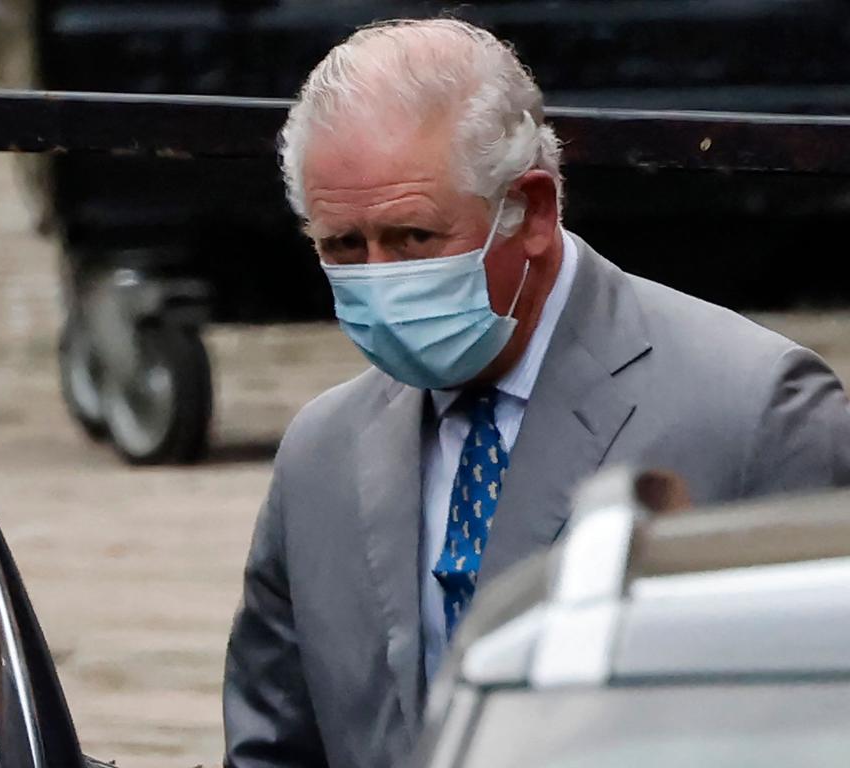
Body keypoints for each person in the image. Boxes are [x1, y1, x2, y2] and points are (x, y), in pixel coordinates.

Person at [222, 18, 850, 768]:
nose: (379, 277)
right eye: (343, 247)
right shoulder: (319, 453)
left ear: (533, 211)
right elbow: (275, 746)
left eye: (415, 238)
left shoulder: (756, 412)